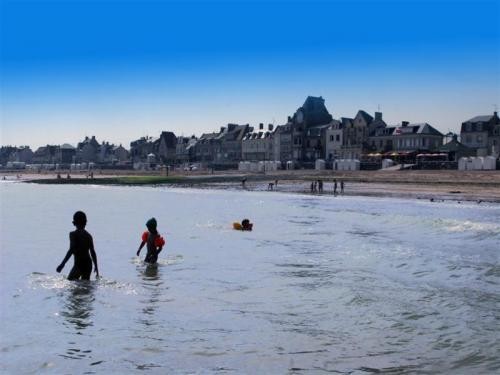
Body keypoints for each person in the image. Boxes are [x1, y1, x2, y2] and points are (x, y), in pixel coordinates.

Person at [56, 211, 99, 280]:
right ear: (85, 222)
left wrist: (62, 264)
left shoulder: (73, 234)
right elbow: (93, 252)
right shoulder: (88, 236)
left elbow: (71, 250)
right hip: (88, 264)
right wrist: (96, 267)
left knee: (70, 281)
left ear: (74, 223)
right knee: (85, 287)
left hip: (79, 264)